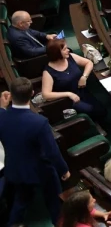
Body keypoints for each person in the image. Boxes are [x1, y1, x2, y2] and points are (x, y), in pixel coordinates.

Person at [0, 77, 71, 224]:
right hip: (40, 171)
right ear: (32, 93)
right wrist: (63, 169)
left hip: (14, 169)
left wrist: (2, 106)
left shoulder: (2, 117)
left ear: (11, 95)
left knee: (20, 203)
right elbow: (52, 152)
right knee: (55, 201)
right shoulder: (39, 122)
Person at [42, 36, 107, 122]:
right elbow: (46, 95)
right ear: (57, 53)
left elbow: (89, 63)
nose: (68, 50)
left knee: (102, 111)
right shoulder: (48, 72)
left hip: (82, 92)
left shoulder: (70, 57)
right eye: (65, 49)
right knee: (92, 111)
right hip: (69, 100)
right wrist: (68, 94)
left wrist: (84, 76)